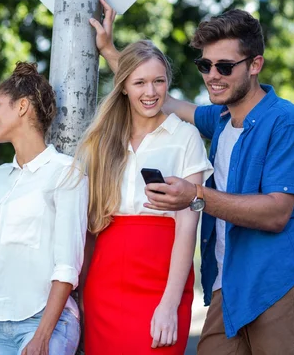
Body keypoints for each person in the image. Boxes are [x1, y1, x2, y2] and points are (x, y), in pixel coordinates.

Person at [91, 0, 294, 354]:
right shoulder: (218, 119)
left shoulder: (287, 123)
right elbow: (154, 96)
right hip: (227, 285)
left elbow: (277, 213)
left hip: (277, 281)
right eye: (206, 64)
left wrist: (196, 195)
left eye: (225, 66)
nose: (213, 75)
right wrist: (110, 50)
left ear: (255, 65)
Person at [76, 40, 213, 354]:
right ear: (123, 86)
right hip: (105, 281)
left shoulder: (185, 137)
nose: (151, 92)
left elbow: (187, 228)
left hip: (163, 279)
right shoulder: (103, 139)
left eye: (159, 81)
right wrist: (80, 295)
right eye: (139, 82)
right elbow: (89, 226)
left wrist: (169, 304)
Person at [0, 62, 87, 355]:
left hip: (44, 322)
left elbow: (67, 268)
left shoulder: (66, 172)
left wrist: (42, 337)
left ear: (22, 107)